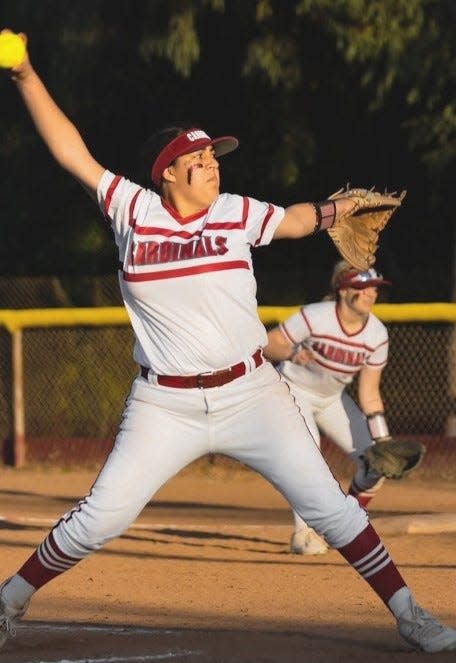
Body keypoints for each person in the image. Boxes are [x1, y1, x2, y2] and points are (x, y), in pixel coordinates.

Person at [1, 29, 455, 654]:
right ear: (167, 175)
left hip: (252, 394)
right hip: (164, 405)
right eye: (199, 158)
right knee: (100, 518)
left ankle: (410, 614)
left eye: (215, 156)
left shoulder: (234, 212)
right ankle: (9, 602)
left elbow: (293, 220)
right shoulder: (133, 211)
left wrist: (330, 211)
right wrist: (25, 74)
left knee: (332, 510)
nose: (213, 163)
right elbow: (70, 152)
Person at [264, 260, 393, 556]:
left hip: (332, 398)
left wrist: (383, 440)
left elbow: (370, 394)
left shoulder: (377, 334)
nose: (371, 294)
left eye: (374, 288)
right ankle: (305, 532)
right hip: (292, 390)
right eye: (363, 288)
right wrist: (292, 351)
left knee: (375, 465)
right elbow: (269, 343)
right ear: (344, 290)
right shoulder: (315, 316)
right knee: (309, 459)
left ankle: (346, 525)